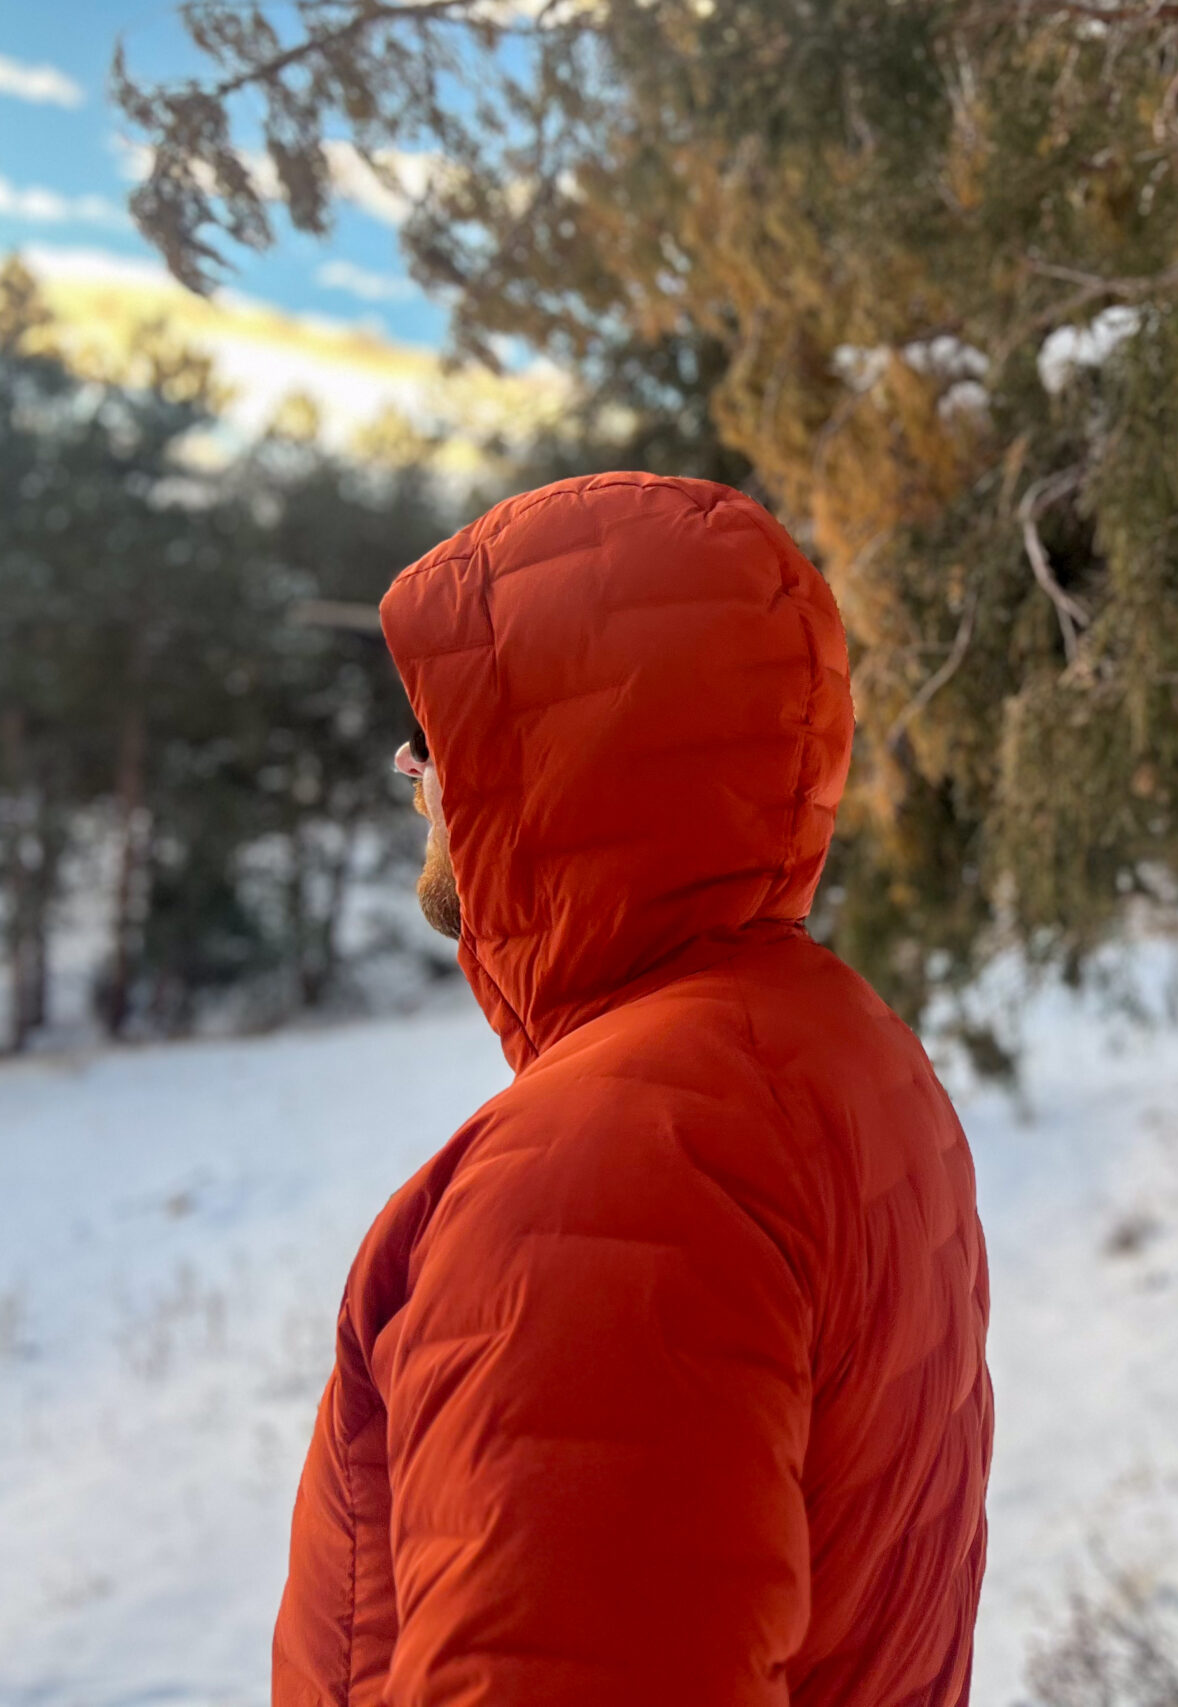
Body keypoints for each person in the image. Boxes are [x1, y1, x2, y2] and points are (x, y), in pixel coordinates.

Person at [272, 473, 993, 1707]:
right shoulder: (830, 1049)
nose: (416, 775)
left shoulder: (609, 1173)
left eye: (447, 734)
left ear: (559, 761)